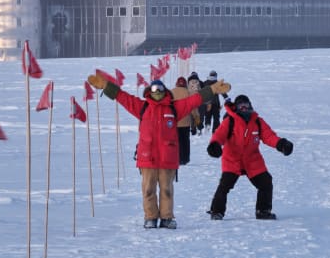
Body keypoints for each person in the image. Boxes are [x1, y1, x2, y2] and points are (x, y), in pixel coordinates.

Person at [88, 74, 230, 229]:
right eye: (154, 89)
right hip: (147, 158)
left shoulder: (173, 108)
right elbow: (123, 97)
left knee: (167, 190)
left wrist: (213, 89)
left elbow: (193, 101)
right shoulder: (142, 107)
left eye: (160, 89)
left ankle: (167, 218)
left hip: (167, 158)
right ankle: (150, 217)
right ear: (150, 90)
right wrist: (107, 86)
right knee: (148, 190)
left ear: (165, 91)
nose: (157, 92)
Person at [206, 93, 293, 220]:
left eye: (246, 105)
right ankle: (217, 211)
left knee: (266, 182)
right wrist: (215, 145)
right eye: (240, 106)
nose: (244, 108)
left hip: (252, 160)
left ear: (250, 105)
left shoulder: (257, 121)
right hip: (232, 160)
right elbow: (219, 135)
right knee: (224, 186)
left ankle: (263, 211)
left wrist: (281, 144)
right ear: (236, 107)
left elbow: (269, 136)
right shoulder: (230, 121)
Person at [170, 76, 201, 165]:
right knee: (185, 141)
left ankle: (175, 158)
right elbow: (193, 107)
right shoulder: (188, 93)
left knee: (175, 142)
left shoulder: (171, 92)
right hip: (186, 122)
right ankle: (185, 158)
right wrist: (196, 118)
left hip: (174, 122)